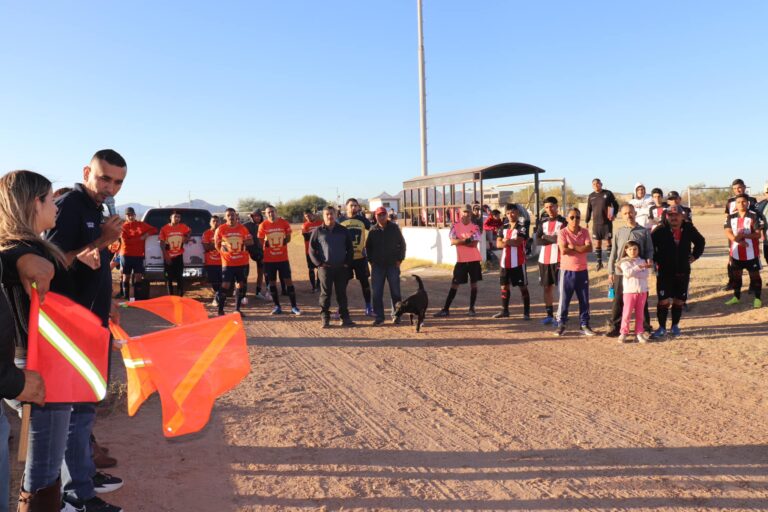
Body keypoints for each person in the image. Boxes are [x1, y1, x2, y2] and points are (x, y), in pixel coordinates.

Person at [45, 150, 128, 511]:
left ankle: (83, 474)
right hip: (69, 327)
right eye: (104, 178)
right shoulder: (69, 205)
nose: (110, 188)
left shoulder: (98, 209)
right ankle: (76, 495)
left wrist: (109, 302)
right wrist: (100, 242)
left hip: (92, 323)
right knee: (74, 413)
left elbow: (92, 264)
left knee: (85, 407)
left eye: (118, 182)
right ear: (87, 172)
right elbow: (50, 263)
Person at [0, 171, 54, 512]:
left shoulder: (17, 250)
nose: (57, 207)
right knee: (44, 453)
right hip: (32, 362)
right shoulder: (26, 249)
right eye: (51, 199)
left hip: (18, 365)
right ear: (35, 203)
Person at [651, 205, 705, 338]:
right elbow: (650, 246)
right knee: (663, 301)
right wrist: (656, 260)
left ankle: (675, 325)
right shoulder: (660, 230)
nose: (673, 218)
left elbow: (701, 242)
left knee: (679, 300)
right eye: (670, 215)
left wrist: (694, 256)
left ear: (682, 216)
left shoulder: (688, 228)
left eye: (676, 215)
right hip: (664, 271)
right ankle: (662, 327)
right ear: (667, 216)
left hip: (682, 270)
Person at [605, 204, 653, 337]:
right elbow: (614, 252)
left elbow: (649, 249)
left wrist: (649, 259)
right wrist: (611, 271)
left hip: (638, 272)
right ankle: (616, 327)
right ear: (622, 215)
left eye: (630, 212)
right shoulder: (619, 232)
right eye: (625, 213)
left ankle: (645, 328)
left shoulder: (643, 231)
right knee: (619, 300)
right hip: (621, 272)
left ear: (635, 213)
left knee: (641, 301)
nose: (628, 215)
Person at [308, 205, 354, 328]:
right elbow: (311, 250)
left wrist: (346, 263)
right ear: (323, 216)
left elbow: (350, 249)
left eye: (332, 213)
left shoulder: (343, 230)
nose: (330, 216)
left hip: (341, 268)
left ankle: (345, 318)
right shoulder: (318, 231)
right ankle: (325, 318)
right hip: (325, 268)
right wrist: (319, 264)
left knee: (341, 293)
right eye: (327, 214)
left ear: (336, 215)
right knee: (325, 294)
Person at [434, 204, 483, 317]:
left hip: (474, 260)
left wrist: (460, 240)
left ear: (471, 214)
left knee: (474, 284)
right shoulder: (455, 226)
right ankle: (446, 309)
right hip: (461, 261)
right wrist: (467, 240)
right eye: (464, 212)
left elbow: (474, 244)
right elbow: (452, 241)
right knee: (454, 284)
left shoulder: (475, 227)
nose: (466, 214)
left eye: (468, 212)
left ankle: (471, 309)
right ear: (460, 213)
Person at [554, 207, 595, 336]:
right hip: (567, 271)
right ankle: (561, 324)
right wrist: (580, 248)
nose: (575, 219)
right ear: (567, 219)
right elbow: (564, 250)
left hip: (582, 270)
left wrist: (573, 246)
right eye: (572, 217)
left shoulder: (584, 231)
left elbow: (589, 248)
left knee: (584, 300)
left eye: (577, 217)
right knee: (564, 299)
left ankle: (584, 324)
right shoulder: (562, 232)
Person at [365, 206, 406, 326]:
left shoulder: (394, 228)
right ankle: (379, 317)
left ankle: (396, 315)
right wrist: (371, 261)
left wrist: (400, 259)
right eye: (379, 215)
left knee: (395, 292)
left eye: (383, 214)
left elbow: (402, 244)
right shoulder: (372, 230)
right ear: (375, 216)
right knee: (377, 293)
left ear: (387, 215)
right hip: (377, 266)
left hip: (393, 265)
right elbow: (368, 248)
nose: (381, 217)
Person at [258, 205, 300, 315]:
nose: (271, 214)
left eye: (272, 211)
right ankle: (277, 307)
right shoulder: (263, 225)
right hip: (269, 260)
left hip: (282, 258)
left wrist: (281, 242)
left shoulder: (284, 223)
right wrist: (266, 248)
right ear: (266, 214)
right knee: (272, 283)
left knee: (288, 282)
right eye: (268, 212)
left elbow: (289, 237)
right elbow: (260, 241)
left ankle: (294, 307)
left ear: (276, 212)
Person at [724, 194, 763, 308]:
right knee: (736, 276)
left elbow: (757, 234)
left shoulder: (753, 216)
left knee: (755, 276)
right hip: (736, 253)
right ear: (735, 204)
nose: (741, 204)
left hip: (751, 253)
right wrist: (738, 240)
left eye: (744, 201)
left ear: (748, 203)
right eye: (739, 202)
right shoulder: (731, 217)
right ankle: (736, 297)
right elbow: (727, 232)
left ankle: (757, 298)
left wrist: (744, 235)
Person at [493, 204, 530, 319]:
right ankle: (505, 311)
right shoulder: (503, 226)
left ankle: (526, 313)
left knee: (522, 287)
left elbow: (518, 242)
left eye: (513, 212)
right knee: (504, 287)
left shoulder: (522, 226)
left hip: (518, 262)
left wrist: (506, 240)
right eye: (508, 213)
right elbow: (498, 244)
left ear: (518, 213)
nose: (510, 215)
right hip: (505, 263)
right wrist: (508, 241)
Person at [215, 208, 254, 316]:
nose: (231, 217)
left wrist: (244, 242)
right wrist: (225, 254)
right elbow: (217, 245)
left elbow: (251, 241)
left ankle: (237, 309)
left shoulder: (243, 228)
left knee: (240, 285)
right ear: (225, 217)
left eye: (232, 215)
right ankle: (220, 310)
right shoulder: (221, 229)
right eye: (228, 215)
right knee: (226, 285)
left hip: (242, 262)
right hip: (228, 263)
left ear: (236, 216)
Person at [338, 198, 373, 316]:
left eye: (356, 206)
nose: (354, 208)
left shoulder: (363, 220)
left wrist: (368, 247)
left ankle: (368, 307)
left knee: (365, 283)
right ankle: (341, 308)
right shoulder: (340, 220)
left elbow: (374, 231)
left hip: (360, 259)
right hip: (346, 259)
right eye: (351, 205)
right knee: (342, 285)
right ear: (346, 207)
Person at [535, 197, 566, 324]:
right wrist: (552, 238)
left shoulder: (564, 222)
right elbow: (537, 240)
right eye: (547, 207)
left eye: (552, 206)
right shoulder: (542, 222)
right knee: (547, 288)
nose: (549, 209)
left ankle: (561, 316)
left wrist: (546, 237)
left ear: (557, 206)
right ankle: (549, 315)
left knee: (562, 289)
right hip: (544, 260)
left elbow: (562, 240)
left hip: (559, 260)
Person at [116, 206, 156, 300]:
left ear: (135, 215)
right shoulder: (123, 227)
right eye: (128, 215)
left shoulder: (141, 224)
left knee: (138, 276)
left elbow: (154, 229)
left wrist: (146, 234)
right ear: (126, 216)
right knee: (126, 276)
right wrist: (140, 238)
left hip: (138, 255)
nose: (131, 217)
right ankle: (126, 298)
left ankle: (136, 299)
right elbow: (126, 241)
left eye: (132, 215)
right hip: (126, 255)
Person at [617, 241, 653, 343]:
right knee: (627, 313)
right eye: (630, 249)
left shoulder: (642, 260)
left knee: (640, 314)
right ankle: (623, 332)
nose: (633, 251)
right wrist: (639, 268)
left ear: (638, 250)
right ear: (626, 250)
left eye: (635, 249)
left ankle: (639, 333)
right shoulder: (624, 262)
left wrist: (637, 270)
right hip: (629, 291)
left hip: (642, 291)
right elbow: (627, 273)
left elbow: (645, 275)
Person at [585, 178, 618, 270]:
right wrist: (587, 221)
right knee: (597, 243)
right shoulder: (591, 196)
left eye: (598, 183)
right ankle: (599, 263)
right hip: (596, 224)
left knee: (608, 241)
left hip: (607, 223)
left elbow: (616, 205)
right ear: (592, 186)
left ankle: (609, 262)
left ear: (601, 184)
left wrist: (614, 214)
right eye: (594, 184)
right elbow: (589, 209)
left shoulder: (608, 193)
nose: (596, 185)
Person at [158, 211, 191, 296]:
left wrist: (187, 236)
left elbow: (189, 231)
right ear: (170, 217)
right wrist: (166, 257)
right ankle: (170, 297)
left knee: (180, 278)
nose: (177, 218)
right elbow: (162, 244)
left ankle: (180, 297)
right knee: (169, 279)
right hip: (168, 257)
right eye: (175, 217)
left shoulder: (183, 227)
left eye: (179, 217)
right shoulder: (164, 228)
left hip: (179, 256)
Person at [202, 215, 223, 306]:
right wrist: (220, 244)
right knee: (214, 283)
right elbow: (206, 247)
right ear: (210, 223)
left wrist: (212, 245)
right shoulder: (206, 233)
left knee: (224, 281)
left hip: (224, 261)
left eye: (217, 221)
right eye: (213, 221)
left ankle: (217, 298)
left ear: (220, 223)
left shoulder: (223, 232)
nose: (215, 223)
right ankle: (218, 297)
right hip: (211, 262)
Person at [301, 209, 323, 292]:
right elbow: (306, 237)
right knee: (311, 268)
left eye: (309, 215)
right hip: (309, 251)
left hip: (321, 250)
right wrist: (317, 234)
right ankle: (313, 287)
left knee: (320, 267)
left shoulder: (320, 223)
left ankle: (319, 285)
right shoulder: (305, 225)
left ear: (313, 215)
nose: (308, 217)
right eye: (306, 216)